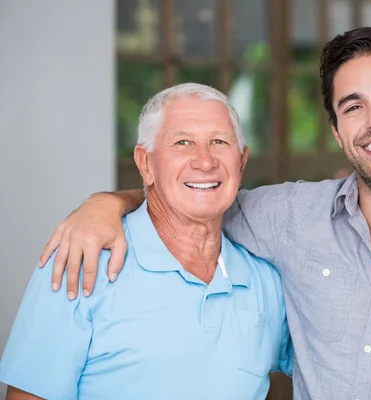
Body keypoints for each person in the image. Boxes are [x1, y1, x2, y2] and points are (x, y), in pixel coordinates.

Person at [35, 27, 371, 399]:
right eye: (353, 106)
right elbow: (198, 192)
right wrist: (105, 204)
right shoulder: (289, 216)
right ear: (336, 129)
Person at [0, 84, 292, 399]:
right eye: (183, 142)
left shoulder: (266, 279)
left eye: (219, 141)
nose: (205, 162)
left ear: (241, 161)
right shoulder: (82, 262)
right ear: (146, 163)